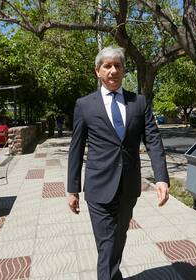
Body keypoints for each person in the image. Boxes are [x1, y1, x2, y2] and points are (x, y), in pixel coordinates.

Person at [67, 46, 170, 280]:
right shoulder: (85, 105)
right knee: (107, 243)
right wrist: (72, 188)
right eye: (107, 66)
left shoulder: (139, 102)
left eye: (118, 66)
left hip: (128, 187)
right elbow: (76, 149)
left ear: (124, 70)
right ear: (98, 71)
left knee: (119, 237)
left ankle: (113, 275)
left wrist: (161, 178)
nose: (113, 70)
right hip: (98, 185)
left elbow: (153, 140)